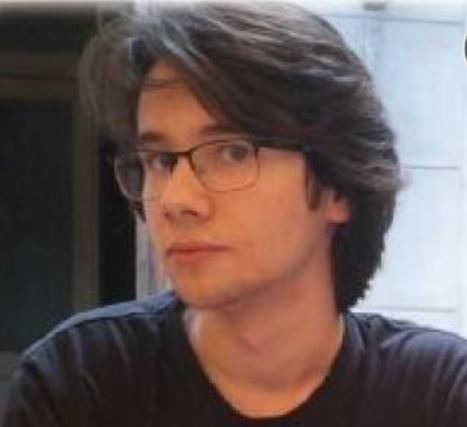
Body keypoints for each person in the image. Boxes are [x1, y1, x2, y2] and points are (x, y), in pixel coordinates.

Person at [3, 1, 467, 426]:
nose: (175, 199)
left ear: (338, 188)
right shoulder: (79, 383)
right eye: (160, 161)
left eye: (232, 152)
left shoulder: (437, 394)